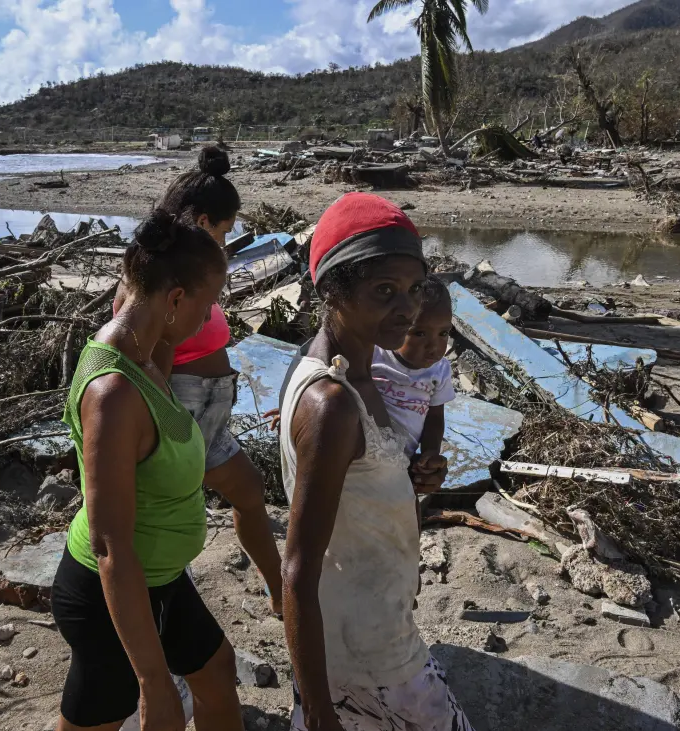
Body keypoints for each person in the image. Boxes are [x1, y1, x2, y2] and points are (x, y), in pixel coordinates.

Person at [279, 192, 472, 731]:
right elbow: (297, 567)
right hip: (364, 646)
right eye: (383, 291)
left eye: (412, 290)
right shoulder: (333, 403)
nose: (407, 309)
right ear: (332, 291)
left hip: (377, 614)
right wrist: (317, 708)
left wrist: (417, 477)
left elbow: (361, 491)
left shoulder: (362, 373)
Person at [51, 212, 244, 731]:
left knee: (217, 673)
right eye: (206, 305)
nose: (210, 320)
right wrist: (154, 682)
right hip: (111, 594)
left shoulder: (146, 347)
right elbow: (110, 545)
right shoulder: (113, 395)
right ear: (176, 299)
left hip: (161, 578)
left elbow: (137, 294)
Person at [154, 145, 284, 615]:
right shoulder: (154, 276)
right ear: (203, 220)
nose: (226, 242)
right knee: (172, 518)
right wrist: (162, 427)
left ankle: (280, 595)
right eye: (225, 231)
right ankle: (167, 610)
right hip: (181, 415)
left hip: (210, 417)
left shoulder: (192, 271)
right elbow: (148, 353)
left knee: (248, 491)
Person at [370, 275, 455, 460]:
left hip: (402, 461)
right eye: (420, 333)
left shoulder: (439, 371)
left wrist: (430, 453)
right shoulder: (375, 355)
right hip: (365, 454)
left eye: (443, 333)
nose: (433, 346)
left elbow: (434, 418)